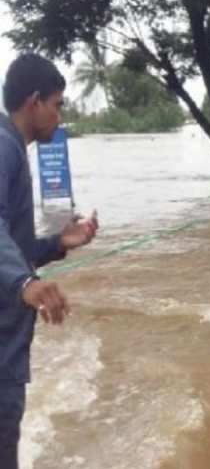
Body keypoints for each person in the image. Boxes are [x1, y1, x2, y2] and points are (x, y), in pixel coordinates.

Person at [0, 53, 100, 468]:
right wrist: (24, 284)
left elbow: (12, 241)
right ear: (35, 101)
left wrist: (58, 243)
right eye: (57, 105)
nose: (60, 117)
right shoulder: (4, 147)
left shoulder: (11, 148)